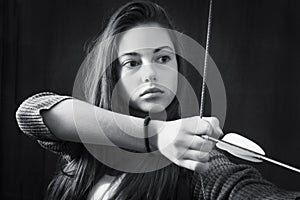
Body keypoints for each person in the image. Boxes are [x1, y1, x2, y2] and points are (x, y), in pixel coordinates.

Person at [15, 1, 300, 200]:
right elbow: (31, 114)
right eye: (132, 62)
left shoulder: (197, 160)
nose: (150, 73)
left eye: (163, 58)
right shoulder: (89, 146)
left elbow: (246, 190)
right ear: (114, 76)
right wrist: (159, 134)